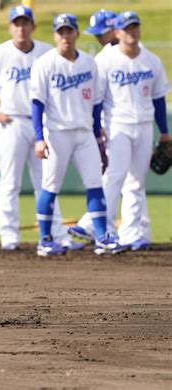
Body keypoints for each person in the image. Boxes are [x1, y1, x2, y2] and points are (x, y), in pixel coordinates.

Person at [0, 5, 83, 252]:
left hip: (42, 123)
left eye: (25, 23)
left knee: (47, 181)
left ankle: (56, 234)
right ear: (10, 27)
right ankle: (9, 236)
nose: (21, 27)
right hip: (13, 121)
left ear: (32, 26)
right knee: (10, 181)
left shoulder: (45, 52)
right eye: (16, 23)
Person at [30, 13, 128, 256]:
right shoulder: (45, 64)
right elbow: (36, 105)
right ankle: (45, 240)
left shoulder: (88, 63)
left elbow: (96, 104)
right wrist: (39, 137)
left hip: (84, 133)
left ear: (77, 33)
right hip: (57, 132)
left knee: (95, 183)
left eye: (69, 31)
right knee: (50, 185)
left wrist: (97, 135)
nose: (65, 36)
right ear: (55, 36)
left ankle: (102, 237)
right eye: (60, 32)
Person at [69, 10, 152, 251]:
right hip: (113, 125)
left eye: (100, 33)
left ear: (112, 29)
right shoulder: (107, 56)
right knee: (124, 179)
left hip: (126, 125)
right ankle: (126, 231)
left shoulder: (137, 55)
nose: (97, 38)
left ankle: (100, 225)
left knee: (125, 178)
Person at [94, 11, 170, 249]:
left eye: (135, 26)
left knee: (137, 181)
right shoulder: (105, 60)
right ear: (117, 32)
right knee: (115, 176)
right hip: (117, 124)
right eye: (126, 28)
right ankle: (103, 231)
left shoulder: (151, 60)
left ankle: (133, 234)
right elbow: (96, 100)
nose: (132, 31)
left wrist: (165, 132)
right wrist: (98, 128)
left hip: (145, 125)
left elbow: (159, 100)